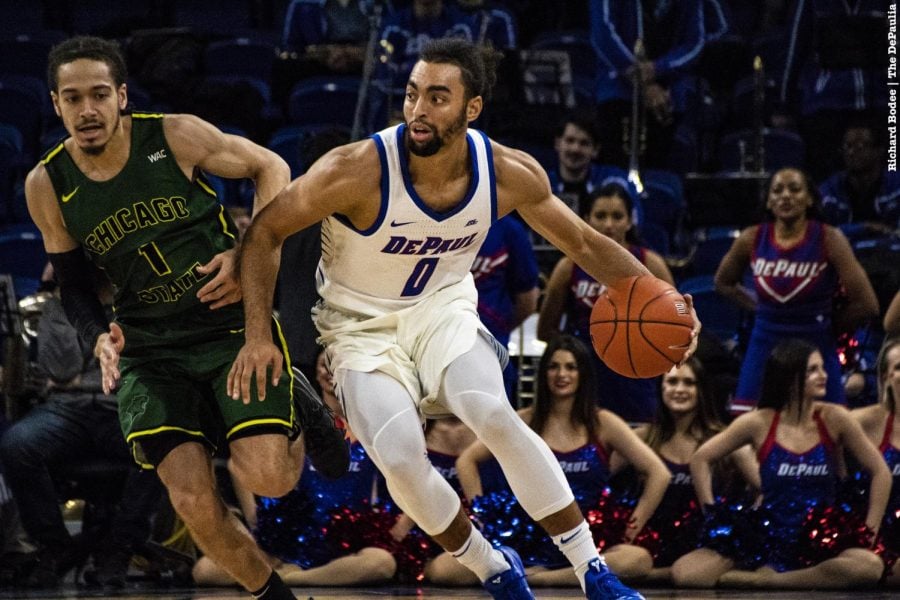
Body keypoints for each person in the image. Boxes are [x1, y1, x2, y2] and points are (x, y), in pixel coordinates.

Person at [229, 37, 701, 600]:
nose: (418, 111)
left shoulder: (505, 172)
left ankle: (592, 571)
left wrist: (665, 296)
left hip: (442, 311)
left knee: (492, 412)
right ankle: (493, 567)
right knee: (402, 459)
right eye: (411, 95)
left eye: (437, 97)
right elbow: (264, 234)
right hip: (358, 328)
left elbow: (582, 241)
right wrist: (260, 335)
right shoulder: (355, 170)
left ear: (471, 107)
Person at [24, 35, 349, 600]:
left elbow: (270, 164)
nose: (87, 110)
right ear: (55, 105)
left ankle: (301, 402)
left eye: (99, 94)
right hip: (150, 349)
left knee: (271, 477)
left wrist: (251, 248)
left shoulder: (173, 134)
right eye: (72, 98)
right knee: (194, 504)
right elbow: (74, 285)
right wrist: (98, 336)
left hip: (225, 324)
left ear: (122, 96)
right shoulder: (47, 184)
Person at [671, 338, 890, 589]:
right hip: (769, 535)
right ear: (789, 377)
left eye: (821, 368)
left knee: (869, 566)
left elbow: (880, 471)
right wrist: (712, 515)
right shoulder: (759, 422)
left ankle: (768, 582)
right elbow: (701, 458)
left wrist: (869, 533)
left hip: (822, 538)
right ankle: (787, 578)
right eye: (812, 370)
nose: (824, 375)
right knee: (687, 574)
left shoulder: (835, 417)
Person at [453, 335, 671, 586]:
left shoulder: (603, 423)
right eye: (553, 366)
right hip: (528, 538)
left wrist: (631, 528)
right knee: (445, 570)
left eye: (570, 367)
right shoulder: (523, 420)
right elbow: (467, 460)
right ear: (543, 374)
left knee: (636, 560)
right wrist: (484, 520)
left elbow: (658, 473)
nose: (561, 374)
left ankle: (540, 579)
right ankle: (567, 576)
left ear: (583, 375)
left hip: (587, 539)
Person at [0, 272, 163, 590]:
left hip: (122, 408)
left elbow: (135, 372)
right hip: (65, 410)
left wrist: (82, 379)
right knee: (16, 444)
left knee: (162, 443)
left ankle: (122, 543)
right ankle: (55, 545)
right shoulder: (58, 307)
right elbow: (60, 370)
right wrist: (66, 299)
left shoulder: (135, 304)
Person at [193, 351, 398, 587]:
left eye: (337, 364)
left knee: (382, 563)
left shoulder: (374, 429)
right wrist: (258, 525)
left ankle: (292, 580)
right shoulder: (297, 421)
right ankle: (286, 574)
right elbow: (238, 465)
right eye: (324, 364)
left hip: (346, 549)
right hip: (288, 545)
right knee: (205, 570)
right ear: (317, 374)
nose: (329, 371)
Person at [714, 167, 879, 411]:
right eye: (777, 190)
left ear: (810, 198)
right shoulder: (751, 238)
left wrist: (829, 325)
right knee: (745, 417)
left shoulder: (829, 239)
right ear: (769, 202)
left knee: (832, 425)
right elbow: (723, 282)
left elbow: (868, 304)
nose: (785, 196)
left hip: (816, 341)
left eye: (795, 189)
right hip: (765, 342)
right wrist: (761, 310)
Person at [538, 183, 674, 423]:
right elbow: (546, 330)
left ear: (630, 221)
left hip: (636, 375)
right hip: (586, 372)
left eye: (617, 216)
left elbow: (676, 325)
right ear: (587, 219)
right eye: (600, 216)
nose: (609, 224)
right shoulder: (568, 267)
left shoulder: (650, 264)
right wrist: (576, 353)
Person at [624, 358, 759, 583]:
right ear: (661, 389)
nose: (680, 389)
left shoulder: (723, 441)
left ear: (702, 390)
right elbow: (599, 476)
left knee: (687, 576)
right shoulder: (641, 438)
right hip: (651, 546)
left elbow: (767, 486)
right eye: (672, 382)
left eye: (689, 383)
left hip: (706, 547)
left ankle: (651, 577)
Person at [588, 0, 706, 170]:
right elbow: (603, 35)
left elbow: (695, 42)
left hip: (667, 97)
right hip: (618, 94)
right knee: (616, 174)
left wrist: (658, 68)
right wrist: (644, 84)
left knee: (659, 177)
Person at [470, 214, 539, 403]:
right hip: (437, 349)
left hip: (492, 351)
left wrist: (499, 326)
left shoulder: (509, 229)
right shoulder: (431, 224)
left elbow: (528, 298)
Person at [852, 337, 900, 587]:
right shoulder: (868, 421)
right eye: (899, 367)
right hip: (878, 538)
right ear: (886, 377)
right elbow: (805, 428)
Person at [819, 119, 900, 240]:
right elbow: (819, 232)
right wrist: (865, 227)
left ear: (879, 151)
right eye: (848, 146)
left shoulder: (896, 184)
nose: (852, 152)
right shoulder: (830, 189)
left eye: (861, 146)